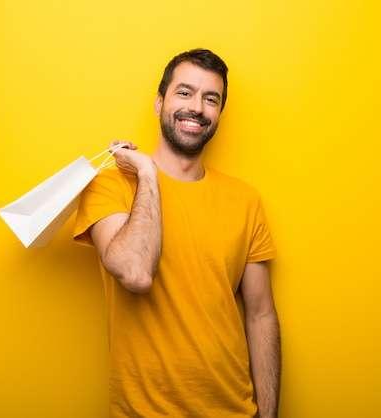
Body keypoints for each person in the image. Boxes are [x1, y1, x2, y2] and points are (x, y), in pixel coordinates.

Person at [73, 48, 281, 417]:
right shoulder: (111, 187)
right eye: (184, 93)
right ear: (159, 103)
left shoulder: (245, 200)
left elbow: (260, 314)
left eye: (210, 99)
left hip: (234, 409)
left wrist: (267, 415)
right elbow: (135, 272)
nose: (197, 108)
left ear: (218, 113)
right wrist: (148, 173)